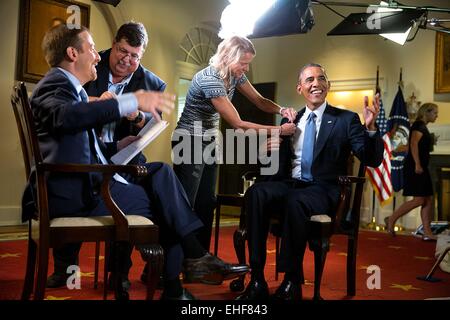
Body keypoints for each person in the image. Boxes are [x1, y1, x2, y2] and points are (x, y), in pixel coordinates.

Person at [28, 23, 249, 300]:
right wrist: (129, 101)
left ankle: (190, 264)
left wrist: (117, 144)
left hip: (95, 174)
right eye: (93, 49)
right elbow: (65, 118)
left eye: (135, 55)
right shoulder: (56, 84)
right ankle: (180, 278)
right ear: (73, 53)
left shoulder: (64, 85)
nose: (98, 56)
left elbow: (75, 137)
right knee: (165, 203)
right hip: (78, 191)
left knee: (162, 173)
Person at [236, 63, 384, 300]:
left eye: (321, 78)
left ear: (328, 85)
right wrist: (268, 150)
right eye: (309, 80)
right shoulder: (292, 121)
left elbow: (372, 159)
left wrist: (371, 127)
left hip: (323, 189)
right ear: (299, 88)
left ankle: (291, 281)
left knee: (297, 200)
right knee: (257, 193)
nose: (316, 83)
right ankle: (257, 279)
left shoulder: (346, 119)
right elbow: (274, 167)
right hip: (290, 184)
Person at [46, 21, 166, 289]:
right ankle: (65, 268)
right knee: (74, 178)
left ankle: (119, 273)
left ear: (141, 55)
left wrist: (135, 115)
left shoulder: (152, 82)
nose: (127, 59)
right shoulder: (87, 63)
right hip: (86, 154)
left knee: (140, 186)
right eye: (123, 51)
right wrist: (98, 104)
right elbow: (66, 104)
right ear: (114, 44)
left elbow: (154, 121)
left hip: (126, 156)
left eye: (135, 56)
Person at [172, 35, 297, 251]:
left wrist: (281, 109)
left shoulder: (234, 75)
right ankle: (167, 263)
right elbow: (238, 124)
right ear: (228, 57)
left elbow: (259, 101)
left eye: (248, 63)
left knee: (206, 203)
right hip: (189, 142)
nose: (246, 68)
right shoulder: (209, 79)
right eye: (243, 63)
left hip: (210, 141)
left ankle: (199, 259)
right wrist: (279, 130)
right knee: (184, 205)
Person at [385, 103, 439, 241]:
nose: (436, 115)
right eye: (434, 113)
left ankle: (427, 232)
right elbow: (413, 144)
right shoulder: (419, 125)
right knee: (420, 199)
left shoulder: (422, 126)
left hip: (421, 166)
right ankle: (391, 219)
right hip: (416, 167)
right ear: (426, 112)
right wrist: (417, 164)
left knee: (427, 199)